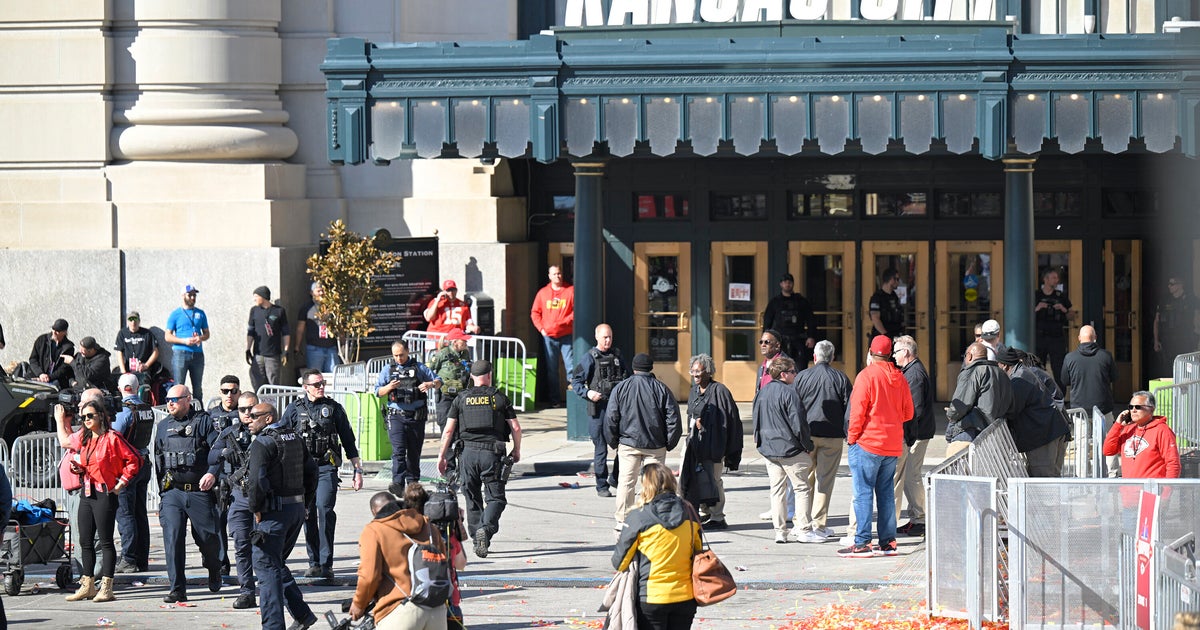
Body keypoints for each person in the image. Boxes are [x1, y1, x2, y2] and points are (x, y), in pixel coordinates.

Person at [282, 368, 363, 578]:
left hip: (326, 466)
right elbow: (280, 436)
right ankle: (314, 561)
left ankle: (327, 564)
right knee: (306, 513)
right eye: (316, 385)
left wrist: (358, 470)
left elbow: (348, 440)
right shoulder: (293, 409)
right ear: (306, 387)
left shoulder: (334, 408)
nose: (321, 388)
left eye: (322, 384)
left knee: (324, 509)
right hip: (302, 470)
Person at [58, 398, 142, 603]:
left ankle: (107, 586)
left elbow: (135, 459)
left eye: (90, 416)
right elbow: (78, 457)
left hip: (105, 493)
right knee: (84, 540)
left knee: (105, 541)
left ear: (101, 416)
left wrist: (121, 483)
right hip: (86, 492)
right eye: (83, 417)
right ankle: (87, 585)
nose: (86, 420)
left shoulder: (112, 438)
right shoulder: (86, 439)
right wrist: (77, 468)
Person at [244, 402, 319, 630]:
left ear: (268, 418)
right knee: (276, 563)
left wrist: (255, 508)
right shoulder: (295, 438)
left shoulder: (263, 443)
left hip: (273, 514)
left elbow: (256, 482)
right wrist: (305, 502)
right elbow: (312, 473)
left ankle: (273, 626)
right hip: (295, 511)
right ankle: (302, 614)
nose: (249, 419)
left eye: (254, 416)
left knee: (266, 568)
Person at [436, 360, 521, 558]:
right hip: (492, 454)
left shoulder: (461, 398)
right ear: (489, 375)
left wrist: (442, 456)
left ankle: (477, 538)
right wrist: (516, 450)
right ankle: (486, 530)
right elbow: (515, 427)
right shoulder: (499, 398)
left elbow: (448, 430)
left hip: (467, 455)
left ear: (472, 377)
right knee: (496, 498)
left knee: (471, 496)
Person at [839, 336, 913, 558]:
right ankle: (888, 542)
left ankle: (862, 542)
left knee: (862, 494)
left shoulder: (866, 375)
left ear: (871, 352)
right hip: (891, 445)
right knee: (886, 494)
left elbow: (857, 412)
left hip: (868, 443)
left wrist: (852, 438)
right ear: (890, 353)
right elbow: (908, 413)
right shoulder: (899, 377)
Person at [612, 462, 702, 630]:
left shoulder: (639, 517)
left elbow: (620, 562)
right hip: (685, 595)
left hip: (652, 596)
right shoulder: (690, 513)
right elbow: (698, 551)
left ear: (646, 486)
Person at [155, 384, 223, 603]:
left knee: (208, 540)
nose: (170, 403)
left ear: (188, 399)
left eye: (175, 399)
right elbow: (158, 460)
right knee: (172, 537)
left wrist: (212, 473)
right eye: (168, 399)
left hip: (198, 491)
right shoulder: (163, 426)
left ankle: (214, 568)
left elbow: (218, 451)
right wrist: (162, 496)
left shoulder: (203, 421)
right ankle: (177, 588)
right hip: (173, 493)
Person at [350, 484, 447, 630]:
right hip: (436, 610)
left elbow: (369, 576)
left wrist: (358, 604)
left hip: (400, 611)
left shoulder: (374, 530)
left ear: (374, 511)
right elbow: (444, 563)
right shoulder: (427, 525)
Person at [605, 353, 681, 529]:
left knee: (626, 481)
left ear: (634, 368)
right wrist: (670, 442)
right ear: (651, 368)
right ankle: (653, 519)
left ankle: (622, 520)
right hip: (655, 444)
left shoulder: (622, 388)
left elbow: (611, 417)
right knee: (655, 483)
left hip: (628, 443)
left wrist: (614, 441)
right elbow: (673, 418)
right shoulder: (661, 388)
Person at [792, 340, 851, 541]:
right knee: (824, 481)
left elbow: (794, 408)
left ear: (815, 357)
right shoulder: (841, 378)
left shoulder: (802, 377)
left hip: (807, 435)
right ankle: (818, 524)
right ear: (832, 357)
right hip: (832, 436)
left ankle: (801, 522)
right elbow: (849, 410)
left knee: (803, 481)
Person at [753, 356, 815, 544]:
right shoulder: (790, 393)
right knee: (802, 487)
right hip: (789, 449)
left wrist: (760, 442)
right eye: (793, 371)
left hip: (770, 449)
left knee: (777, 490)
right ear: (783, 374)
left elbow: (756, 420)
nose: (796, 375)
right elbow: (799, 423)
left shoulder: (762, 393)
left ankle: (780, 531)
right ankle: (804, 529)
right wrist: (807, 445)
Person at [209, 390, 259, 609]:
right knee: (241, 544)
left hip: (264, 496)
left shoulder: (269, 432)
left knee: (264, 547)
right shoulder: (230, 432)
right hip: (239, 494)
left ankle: (269, 588)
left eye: (251, 408)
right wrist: (224, 453)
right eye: (242, 409)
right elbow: (210, 455)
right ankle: (247, 590)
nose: (247, 413)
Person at [683, 353, 741, 530]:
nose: (695, 375)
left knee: (714, 480)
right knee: (699, 478)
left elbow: (730, 420)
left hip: (714, 443)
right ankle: (706, 511)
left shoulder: (720, 391)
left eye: (698, 372)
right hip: (696, 443)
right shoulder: (694, 391)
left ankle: (718, 516)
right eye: (692, 371)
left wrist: (729, 449)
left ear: (708, 372)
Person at [570, 323, 628, 497]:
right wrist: (588, 393)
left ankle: (615, 478)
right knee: (601, 448)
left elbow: (628, 377)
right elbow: (576, 382)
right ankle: (602, 485)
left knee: (624, 445)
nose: (608, 340)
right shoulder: (590, 357)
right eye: (604, 337)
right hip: (599, 409)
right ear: (597, 337)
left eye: (610, 336)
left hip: (617, 409)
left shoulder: (617, 355)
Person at [375, 340, 440, 491]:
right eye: (395, 356)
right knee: (398, 450)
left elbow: (438, 381)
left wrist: (430, 384)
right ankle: (397, 483)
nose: (399, 359)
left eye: (401, 355)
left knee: (414, 451)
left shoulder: (419, 367)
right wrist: (389, 387)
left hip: (416, 416)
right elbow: (377, 392)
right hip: (396, 415)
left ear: (408, 351)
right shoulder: (388, 370)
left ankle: (413, 483)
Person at [996, 347, 1071, 477]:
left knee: (1043, 481)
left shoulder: (1019, 379)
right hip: (1051, 432)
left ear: (1003, 365)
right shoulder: (1024, 372)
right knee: (1050, 479)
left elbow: (1011, 410)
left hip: (1044, 436)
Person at [1061, 325, 1119, 476]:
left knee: (1081, 444)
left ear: (1079, 339)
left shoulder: (1070, 358)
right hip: (1103, 407)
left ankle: (1082, 476)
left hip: (1080, 409)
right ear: (1095, 338)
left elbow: (1064, 380)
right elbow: (1115, 378)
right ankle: (1112, 474)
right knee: (1109, 441)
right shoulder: (1105, 356)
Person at [111, 373, 155, 574]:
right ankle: (141, 558)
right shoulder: (147, 408)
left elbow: (114, 436)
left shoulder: (124, 411)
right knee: (139, 513)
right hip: (143, 462)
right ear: (136, 388)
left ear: (121, 389)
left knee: (126, 514)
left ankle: (128, 559)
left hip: (127, 466)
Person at [892, 336, 934, 537]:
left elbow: (914, 410)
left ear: (906, 353)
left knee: (911, 476)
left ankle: (920, 518)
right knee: (910, 476)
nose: (893, 356)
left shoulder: (914, 375)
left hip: (916, 433)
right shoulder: (910, 371)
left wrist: (907, 433)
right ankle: (918, 517)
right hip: (915, 432)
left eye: (896, 352)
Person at [945, 342, 1014, 457]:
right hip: (996, 434)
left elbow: (961, 404)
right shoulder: (1002, 373)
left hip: (971, 431)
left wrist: (951, 414)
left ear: (970, 356)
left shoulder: (972, 371)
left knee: (957, 471)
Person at [208, 375, 244, 575]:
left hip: (241, 476)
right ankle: (222, 562)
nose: (229, 395)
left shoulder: (246, 413)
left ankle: (246, 560)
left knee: (243, 521)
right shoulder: (211, 415)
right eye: (225, 391)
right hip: (219, 475)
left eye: (233, 391)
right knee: (218, 519)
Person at [1103, 391, 1181, 478]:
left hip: (1152, 489)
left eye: (1138, 407)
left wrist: (1167, 489)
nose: (1133, 410)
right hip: (1128, 490)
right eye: (1131, 407)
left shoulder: (1162, 430)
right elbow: (1108, 450)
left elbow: (1173, 463)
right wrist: (1118, 425)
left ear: (1151, 409)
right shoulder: (1128, 429)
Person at [530, 265, 575, 407]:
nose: (558, 276)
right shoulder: (543, 293)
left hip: (567, 334)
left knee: (571, 366)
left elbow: (576, 311)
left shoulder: (570, 291)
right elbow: (535, 313)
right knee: (552, 370)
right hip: (549, 336)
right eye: (554, 274)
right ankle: (555, 400)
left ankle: (573, 398)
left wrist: (564, 322)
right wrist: (541, 329)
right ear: (549, 276)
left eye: (559, 273)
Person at [165, 284, 210, 403]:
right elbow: (167, 336)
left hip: (198, 354)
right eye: (190, 295)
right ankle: (177, 411)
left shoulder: (201, 313)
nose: (192, 298)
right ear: (183, 296)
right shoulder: (175, 314)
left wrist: (200, 338)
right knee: (179, 386)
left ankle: (199, 413)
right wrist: (184, 341)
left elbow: (207, 334)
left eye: (194, 295)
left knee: (198, 388)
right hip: (181, 353)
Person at [763, 272, 818, 369]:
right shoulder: (775, 302)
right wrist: (766, 339)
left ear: (793, 284)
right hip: (780, 340)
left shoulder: (801, 301)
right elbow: (767, 321)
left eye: (789, 282)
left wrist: (811, 336)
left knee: (800, 368)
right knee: (780, 368)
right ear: (781, 284)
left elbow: (810, 319)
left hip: (798, 339)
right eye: (785, 282)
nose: (787, 284)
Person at [1034, 268, 1073, 391]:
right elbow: (1026, 317)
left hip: (1057, 337)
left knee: (1058, 368)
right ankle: (1038, 396)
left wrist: (1063, 309)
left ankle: (1061, 397)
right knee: (1038, 367)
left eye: (1057, 278)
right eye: (1054, 278)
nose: (1057, 280)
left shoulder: (1060, 296)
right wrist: (1037, 308)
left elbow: (1072, 316)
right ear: (1045, 279)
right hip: (1040, 337)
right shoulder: (1036, 295)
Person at [246, 286, 291, 390]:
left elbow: (286, 332)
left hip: (273, 355)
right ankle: (259, 405)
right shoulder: (254, 311)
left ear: (264, 296)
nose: (254, 299)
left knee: (273, 383)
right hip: (258, 354)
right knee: (257, 382)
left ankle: (273, 405)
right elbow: (250, 332)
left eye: (256, 296)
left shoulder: (279, 311)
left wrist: (286, 350)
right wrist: (248, 349)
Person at [1153, 274, 1198, 375]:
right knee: (1168, 370)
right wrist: (1156, 340)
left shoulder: (1190, 299)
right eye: (1168, 284)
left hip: (1185, 342)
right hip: (1168, 342)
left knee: (1186, 371)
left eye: (1171, 284)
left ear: (1180, 285)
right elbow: (1156, 320)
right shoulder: (1164, 300)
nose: (1169, 286)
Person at [428, 329, 471, 432]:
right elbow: (428, 369)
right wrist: (433, 383)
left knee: (461, 425)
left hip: (460, 395)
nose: (466, 342)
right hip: (445, 396)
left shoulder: (465, 354)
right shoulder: (442, 354)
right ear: (455, 342)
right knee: (446, 425)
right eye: (463, 340)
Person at [294, 281, 340, 372]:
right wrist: (297, 346)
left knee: (333, 376)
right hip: (314, 348)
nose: (321, 293)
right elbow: (300, 329)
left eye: (323, 290)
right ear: (312, 293)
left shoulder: (332, 307)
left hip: (331, 348)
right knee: (315, 376)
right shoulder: (306, 308)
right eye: (318, 291)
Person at [114, 311, 164, 380]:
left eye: (135, 319)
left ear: (139, 321)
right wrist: (123, 371)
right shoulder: (122, 333)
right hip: (127, 367)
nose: (133, 322)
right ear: (127, 322)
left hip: (142, 368)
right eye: (131, 320)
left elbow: (156, 352)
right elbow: (119, 352)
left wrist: (146, 365)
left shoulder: (147, 333)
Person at [27, 318, 74, 386]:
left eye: (57, 331)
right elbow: (33, 359)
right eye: (53, 329)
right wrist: (40, 374)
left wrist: (49, 377)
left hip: (55, 379)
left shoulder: (68, 347)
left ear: (64, 332)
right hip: (37, 375)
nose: (54, 332)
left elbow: (64, 368)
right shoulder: (41, 340)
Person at [868, 268, 905, 340]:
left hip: (896, 334)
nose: (898, 282)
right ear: (891, 279)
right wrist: (886, 335)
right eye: (896, 279)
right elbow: (875, 318)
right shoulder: (877, 297)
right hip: (882, 337)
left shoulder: (894, 296)